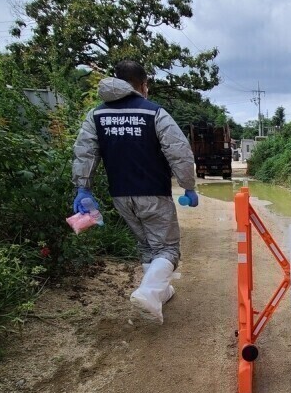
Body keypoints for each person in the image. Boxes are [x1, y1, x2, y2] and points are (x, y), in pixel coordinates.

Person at [71, 60, 199, 324]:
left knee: (146, 246)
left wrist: (83, 188)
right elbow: (180, 152)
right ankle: (148, 293)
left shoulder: (96, 115)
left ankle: (160, 293)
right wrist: (189, 186)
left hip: (120, 195)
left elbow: (84, 153)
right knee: (167, 248)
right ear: (143, 85)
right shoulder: (153, 113)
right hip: (153, 192)